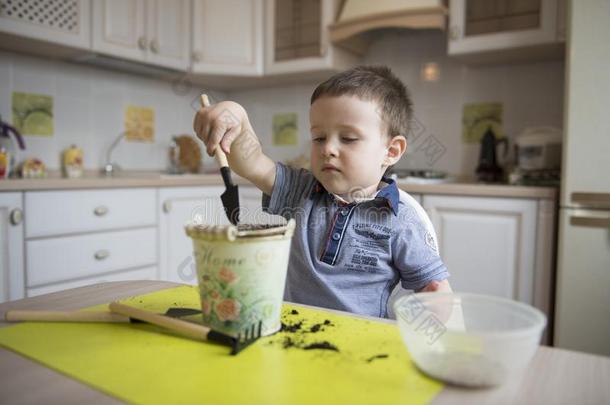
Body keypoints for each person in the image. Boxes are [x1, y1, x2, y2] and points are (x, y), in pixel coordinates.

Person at [193, 65, 451, 318]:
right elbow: (252, 163)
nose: (328, 148)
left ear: (391, 151)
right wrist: (236, 115)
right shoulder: (299, 191)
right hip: (292, 337)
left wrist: (430, 318)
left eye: (348, 138)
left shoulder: (401, 221)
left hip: (361, 349)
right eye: (319, 138)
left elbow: (435, 290)